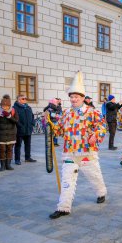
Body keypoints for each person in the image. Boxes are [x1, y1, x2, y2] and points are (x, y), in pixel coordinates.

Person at [47, 71, 107, 219]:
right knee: (67, 179)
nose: (73, 99)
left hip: (87, 152)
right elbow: (60, 130)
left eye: (76, 97)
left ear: (82, 98)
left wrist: (96, 135)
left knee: (94, 175)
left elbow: (102, 126)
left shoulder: (92, 112)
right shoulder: (66, 113)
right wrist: (50, 125)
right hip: (69, 153)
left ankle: (101, 192)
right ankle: (63, 207)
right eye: (72, 97)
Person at [13, 94, 36, 165]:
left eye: (26, 98)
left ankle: (27, 157)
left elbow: (32, 116)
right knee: (18, 145)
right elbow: (14, 119)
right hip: (20, 129)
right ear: (18, 100)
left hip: (28, 129)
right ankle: (17, 159)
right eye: (23, 98)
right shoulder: (15, 108)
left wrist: (32, 123)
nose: (25, 99)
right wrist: (20, 126)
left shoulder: (28, 107)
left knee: (28, 144)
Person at [0, 95, 18, 171]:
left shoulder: (13, 111)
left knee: (10, 149)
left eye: (6, 106)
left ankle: (8, 164)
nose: (5, 107)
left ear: (9, 105)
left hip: (11, 134)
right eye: (3, 106)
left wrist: (9, 116)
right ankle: (2, 165)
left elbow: (16, 121)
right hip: (1, 134)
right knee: (2, 150)